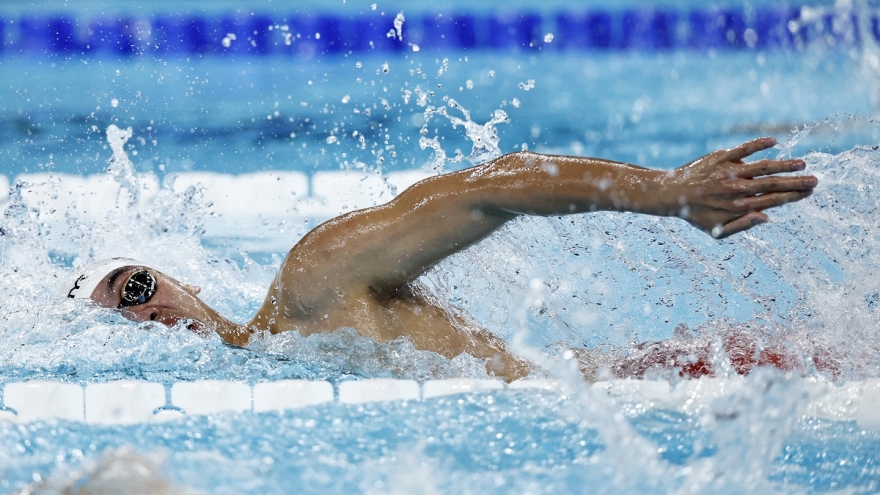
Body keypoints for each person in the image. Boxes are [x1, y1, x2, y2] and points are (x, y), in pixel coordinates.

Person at [59, 137, 818, 382]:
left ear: (181, 279)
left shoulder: (307, 285)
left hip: (660, 381)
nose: (146, 314)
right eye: (121, 319)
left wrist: (666, 191)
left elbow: (484, 191)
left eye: (137, 285)